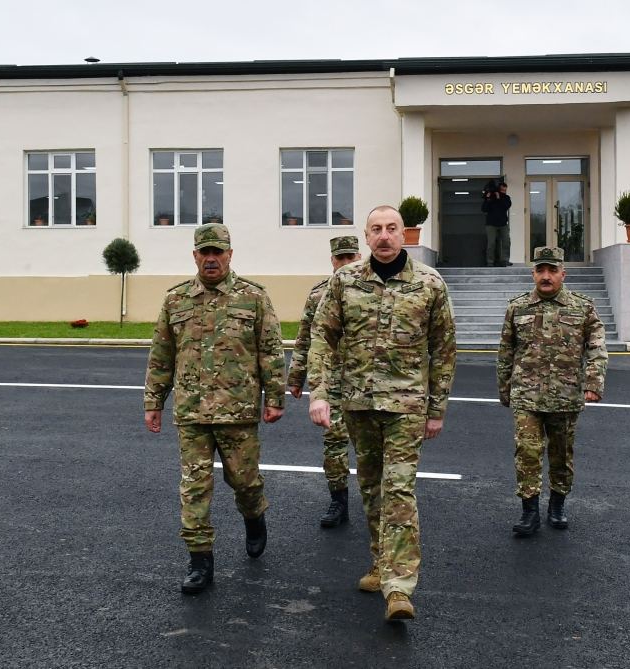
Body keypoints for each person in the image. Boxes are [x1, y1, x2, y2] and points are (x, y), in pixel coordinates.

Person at [307, 206, 456, 622]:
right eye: (377, 230)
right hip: (358, 403)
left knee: (400, 488)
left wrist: (437, 408)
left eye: (392, 229)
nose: (385, 236)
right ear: (367, 237)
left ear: (403, 235)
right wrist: (320, 393)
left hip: (407, 405)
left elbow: (443, 349)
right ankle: (380, 562)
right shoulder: (345, 281)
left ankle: (399, 586)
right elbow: (323, 337)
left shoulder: (429, 283)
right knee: (371, 487)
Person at [143, 223, 286, 594]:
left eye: (217, 252)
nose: (211, 259)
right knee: (194, 488)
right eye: (204, 253)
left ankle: (254, 516)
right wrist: (153, 401)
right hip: (191, 413)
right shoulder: (176, 300)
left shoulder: (253, 297)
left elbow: (271, 350)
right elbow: (161, 355)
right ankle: (199, 559)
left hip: (237, 411)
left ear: (229, 255)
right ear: (194, 256)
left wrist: (275, 398)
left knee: (244, 481)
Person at [496, 246, 607, 536]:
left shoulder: (583, 308)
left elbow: (596, 349)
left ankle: (557, 505)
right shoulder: (517, 308)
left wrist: (593, 383)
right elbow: (506, 351)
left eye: (552, 271)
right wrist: (505, 388)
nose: (546, 276)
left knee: (561, 454)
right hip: (526, 396)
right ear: (533, 273)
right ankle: (529, 511)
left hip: (565, 396)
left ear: (562, 273)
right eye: (541, 270)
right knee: (527, 453)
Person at [287, 235, 362, 528]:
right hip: (330, 381)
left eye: (350, 258)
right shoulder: (319, 295)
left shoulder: (375, 291)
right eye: (339, 259)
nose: (344, 264)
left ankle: (378, 502)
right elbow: (305, 336)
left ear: (359, 257)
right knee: (334, 444)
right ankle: (338, 501)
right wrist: (296, 376)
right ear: (332, 261)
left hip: (366, 382)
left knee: (372, 446)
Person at [482, 181, 512, 267]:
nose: (503, 192)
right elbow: (484, 209)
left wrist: (499, 198)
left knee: (506, 241)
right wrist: (488, 199)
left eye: (505, 190)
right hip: (491, 224)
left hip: (503, 224)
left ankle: (505, 260)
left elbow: (506, 206)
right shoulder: (490, 198)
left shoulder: (506, 198)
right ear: (499, 189)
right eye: (502, 190)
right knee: (491, 243)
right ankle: (490, 262)